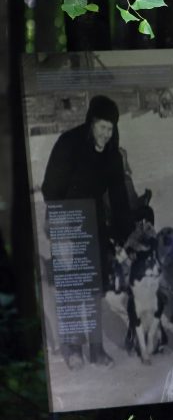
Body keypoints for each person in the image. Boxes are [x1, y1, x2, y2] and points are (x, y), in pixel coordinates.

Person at [41, 95, 132, 369]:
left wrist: (120, 235)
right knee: (71, 286)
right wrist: (63, 229)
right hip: (65, 217)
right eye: (101, 126)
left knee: (93, 288)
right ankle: (71, 348)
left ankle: (96, 349)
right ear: (91, 122)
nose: (105, 134)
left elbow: (119, 198)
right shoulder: (69, 143)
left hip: (93, 221)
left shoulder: (112, 154)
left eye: (110, 128)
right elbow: (50, 188)